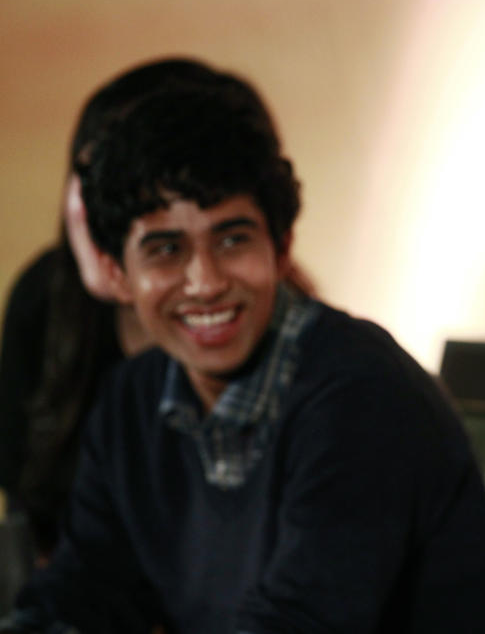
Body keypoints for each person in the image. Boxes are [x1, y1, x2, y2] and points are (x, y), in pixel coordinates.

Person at [2, 77, 485, 631]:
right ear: (116, 273)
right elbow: (79, 597)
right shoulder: (132, 401)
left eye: (231, 240)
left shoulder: (363, 393)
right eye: (166, 250)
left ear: (282, 244)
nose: (205, 283)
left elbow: (300, 620)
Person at [0, 58, 314, 565]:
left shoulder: (326, 374)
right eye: (86, 173)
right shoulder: (45, 300)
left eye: (230, 238)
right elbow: (36, 539)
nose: (205, 282)